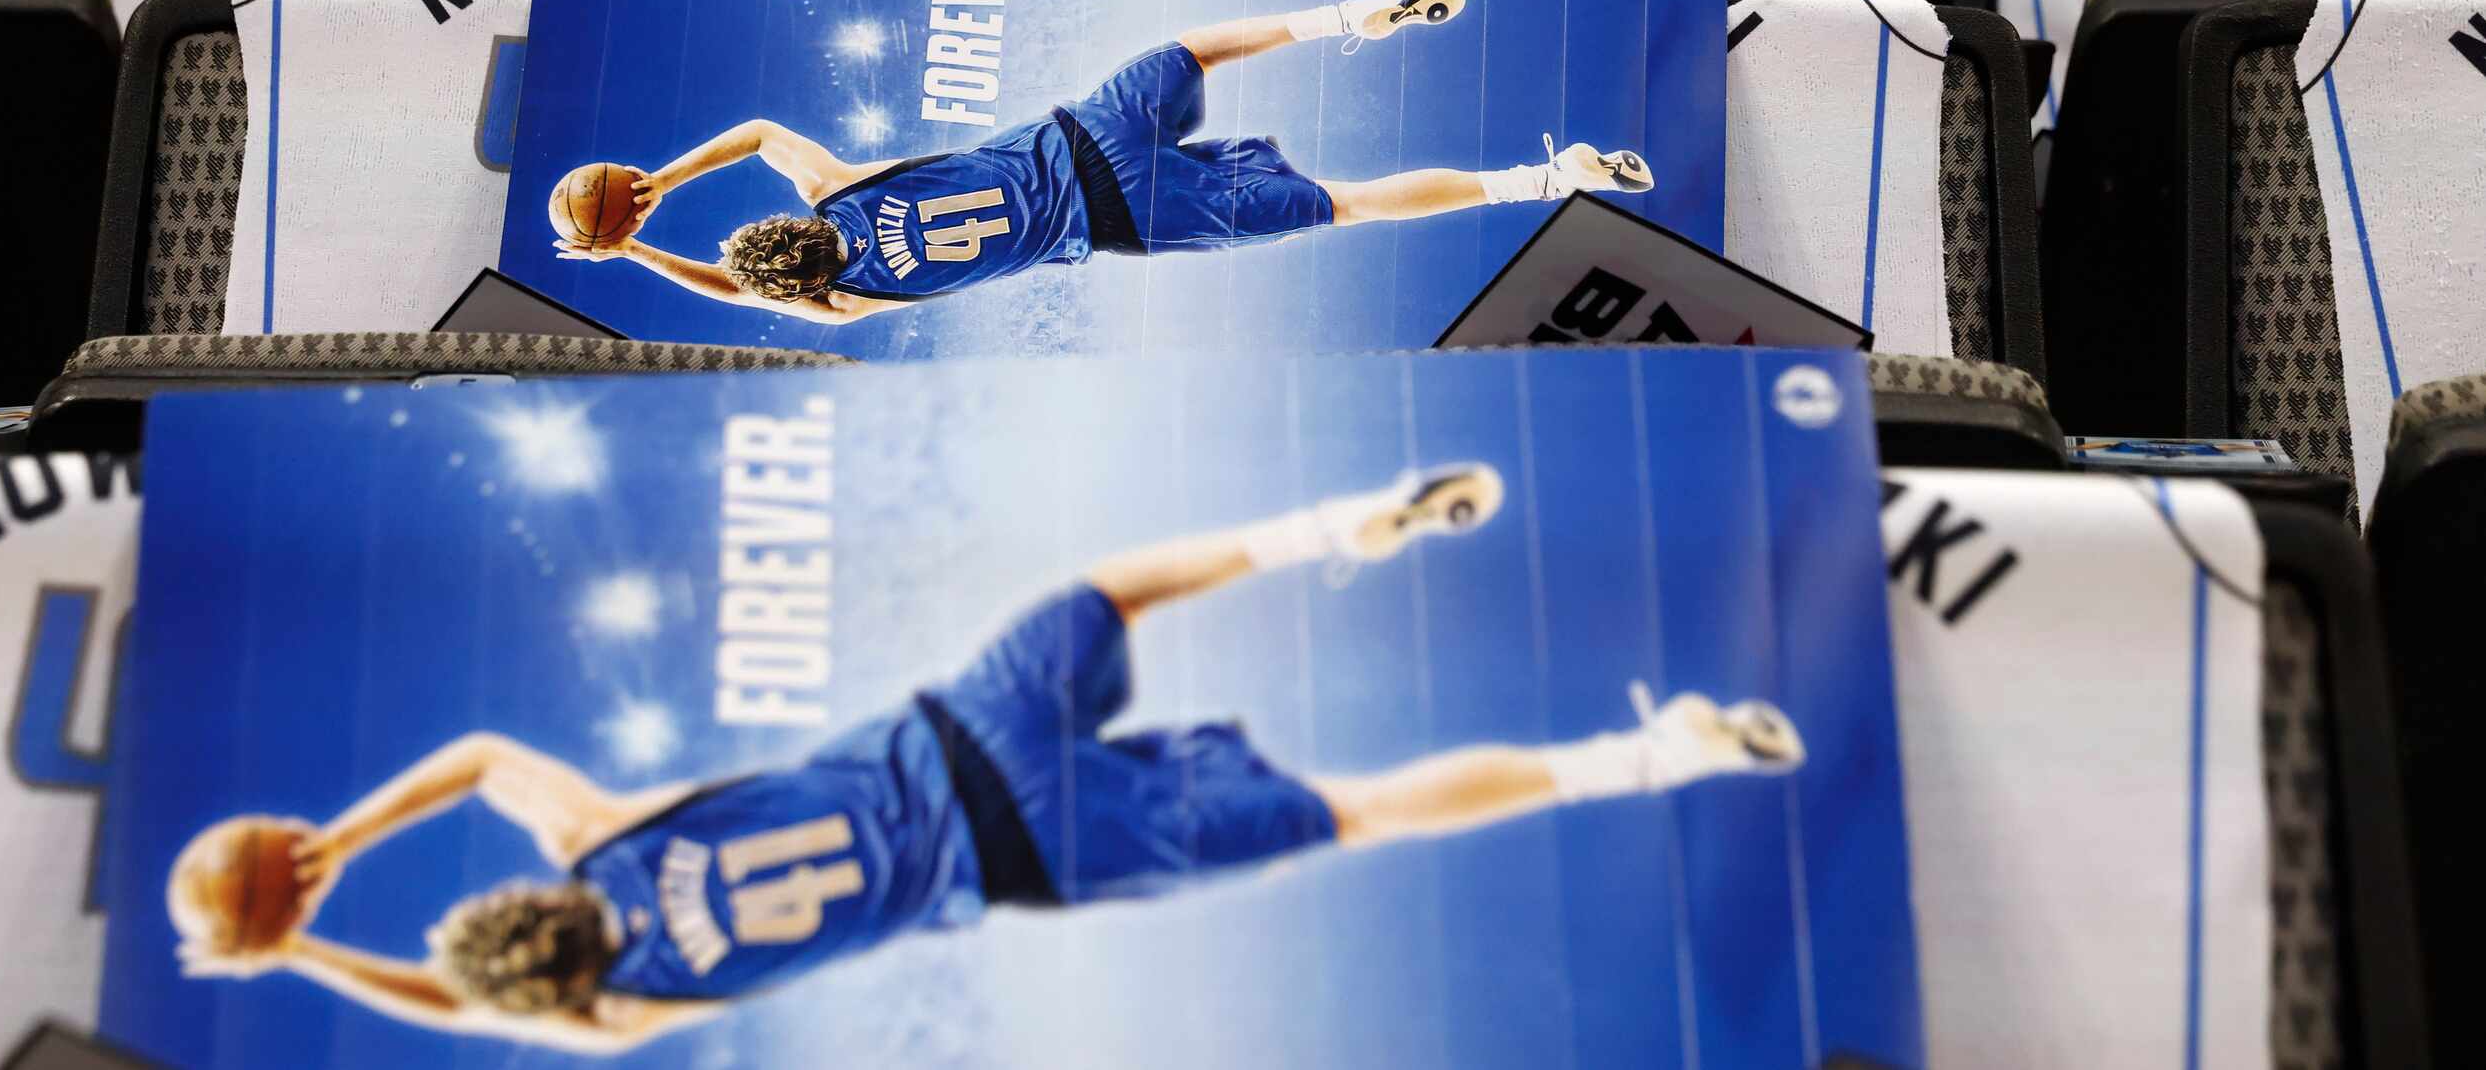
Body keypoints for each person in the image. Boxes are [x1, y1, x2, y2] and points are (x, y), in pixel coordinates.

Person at [175, 465, 1802, 1052]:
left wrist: (302, 945)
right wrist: (332, 841)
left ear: (530, 986)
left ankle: (1653, 755)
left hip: (1017, 859)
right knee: (1118, 582)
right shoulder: (597, 836)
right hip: (963, 730)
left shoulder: (622, 1009)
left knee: (1355, 811)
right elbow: (467, 756)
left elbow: (449, 1004)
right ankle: (1334, 524)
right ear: (517, 904)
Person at [551, 0, 1653, 325]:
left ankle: (1545, 179)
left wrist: (633, 257)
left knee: (1350, 205)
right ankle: (1352, 19)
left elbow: (736, 297)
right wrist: (666, 181)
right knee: (1197, 43)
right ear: (784, 223)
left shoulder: (849, 303)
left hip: (1118, 225)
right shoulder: (838, 186)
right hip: (1087, 134)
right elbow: (753, 132)